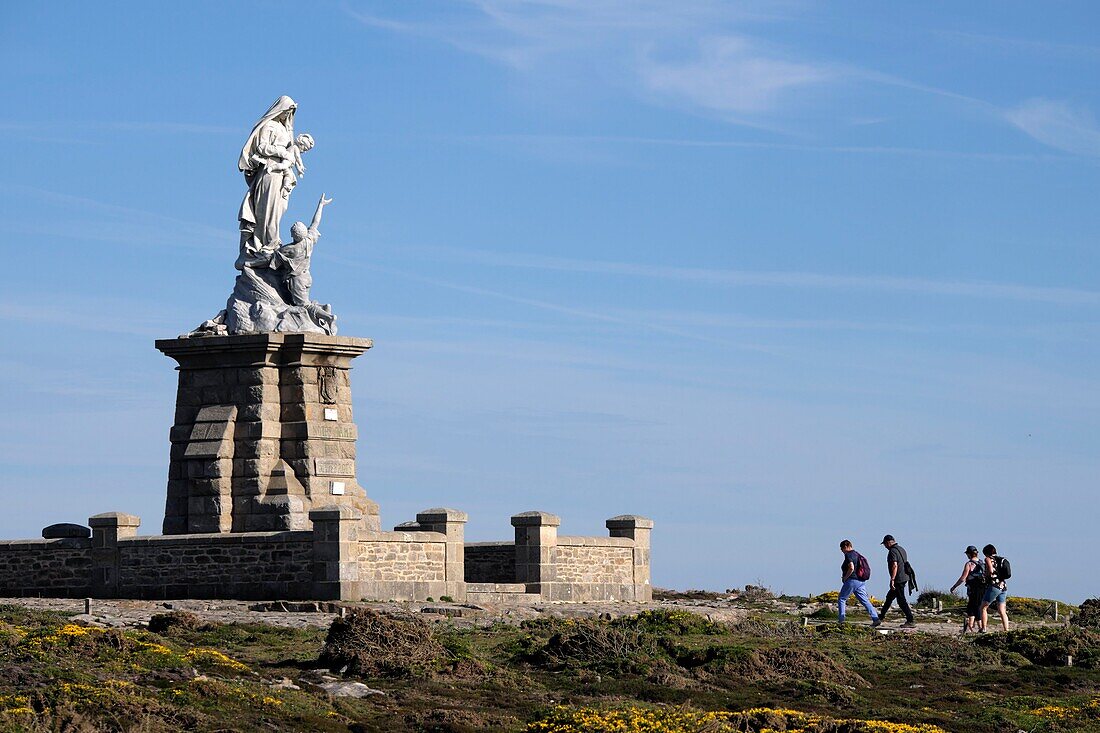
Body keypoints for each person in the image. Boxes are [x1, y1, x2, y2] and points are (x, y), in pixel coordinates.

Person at [237, 96, 316, 268]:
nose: (288, 115)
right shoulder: (269, 126)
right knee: (267, 210)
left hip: (280, 175)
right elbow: (261, 147)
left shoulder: (285, 130)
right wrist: (282, 152)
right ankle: (268, 244)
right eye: (287, 110)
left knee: (279, 209)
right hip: (269, 171)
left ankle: (270, 242)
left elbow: (293, 152)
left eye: (291, 112)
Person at [838, 540, 881, 626]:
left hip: (852, 580)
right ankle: (875, 618)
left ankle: (841, 620)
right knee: (865, 600)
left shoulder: (849, 554)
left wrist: (845, 578)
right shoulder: (857, 554)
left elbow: (851, 567)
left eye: (842, 549)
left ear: (846, 547)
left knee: (841, 599)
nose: (842, 551)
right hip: (861, 581)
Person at [878, 534, 916, 628]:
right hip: (905, 577)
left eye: (885, 544)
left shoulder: (892, 552)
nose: (885, 547)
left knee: (901, 600)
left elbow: (895, 565)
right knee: (889, 597)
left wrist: (892, 579)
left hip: (898, 578)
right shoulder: (901, 549)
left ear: (888, 543)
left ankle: (910, 620)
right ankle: (881, 617)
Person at [949, 545, 985, 633]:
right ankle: (971, 626)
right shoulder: (982, 563)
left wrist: (954, 587)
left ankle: (980, 627)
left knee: (974, 607)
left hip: (973, 588)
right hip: (983, 588)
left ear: (969, 554)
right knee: (974, 607)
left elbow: (963, 578)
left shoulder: (969, 564)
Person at [979, 544, 1010, 632]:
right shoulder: (1001, 559)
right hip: (1003, 586)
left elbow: (991, 570)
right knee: (1002, 611)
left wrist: (986, 576)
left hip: (994, 585)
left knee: (983, 607)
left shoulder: (988, 559)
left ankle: (984, 628)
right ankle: (1006, 629)